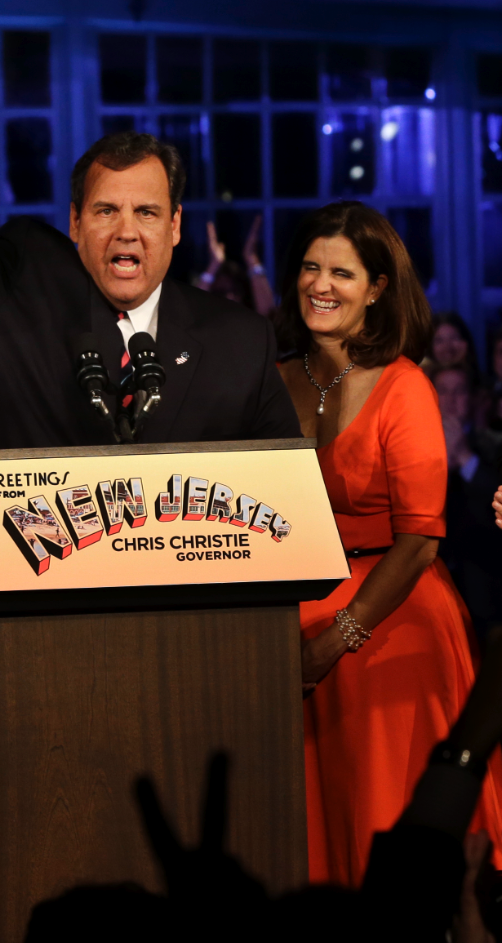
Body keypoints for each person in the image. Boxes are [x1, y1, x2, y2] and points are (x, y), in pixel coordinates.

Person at [0, 29, 300, 603]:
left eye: (146, 211)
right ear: (73, 223)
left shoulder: (240, 341)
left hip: (185, 637)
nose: (126, 231)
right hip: (3, 618)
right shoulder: (20, 278)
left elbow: (287, 514)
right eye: (105, 210)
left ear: (175, 227)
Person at [277, 201, 502, 888]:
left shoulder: (404, 385)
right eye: (310, 267)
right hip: (292, 626)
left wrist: (331, 641)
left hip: (390, 627)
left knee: (390, 848)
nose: (320, 284)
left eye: (340, 272)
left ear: (376, 287)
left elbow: (418, 543)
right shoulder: (273, 376)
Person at [433, 365, 502, 641]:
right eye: (444, 391)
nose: (451, 399)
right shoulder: (413, 445)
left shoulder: (492, 445)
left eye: (459, 391)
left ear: (473, 397)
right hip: (433, 583)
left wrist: (464, 459)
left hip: (486, 589)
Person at [197, 215, 275, 317]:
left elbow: (268, 312)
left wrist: (251, 258)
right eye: (221, 293)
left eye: (235, 291)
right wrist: (213, 266)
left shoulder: (253, 326)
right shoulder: (205, 327)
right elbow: (194, 310)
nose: (229, 298)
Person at [422, 311, 481, 383]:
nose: (447, 347)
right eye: (439, 340)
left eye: (454, 338)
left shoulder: (483, 389)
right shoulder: (420, 384)